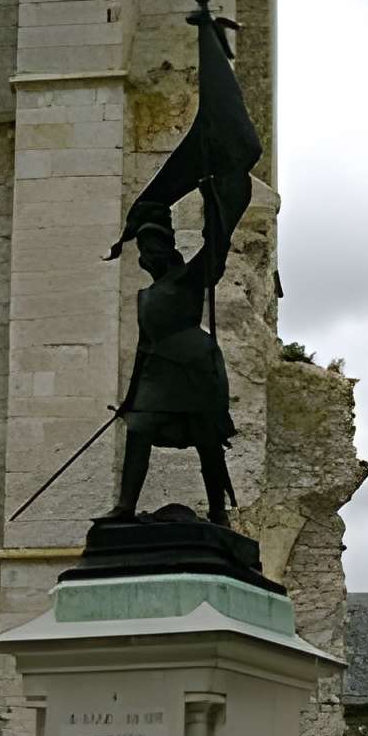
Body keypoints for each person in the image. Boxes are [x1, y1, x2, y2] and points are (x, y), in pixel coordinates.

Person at [107, 199, 236, 526]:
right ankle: (125, 506)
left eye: (151, 247)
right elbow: (143, 346)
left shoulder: (188, 278)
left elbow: (215, 253)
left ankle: (219, 512)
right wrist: (130, 398)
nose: (145, 255)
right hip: (157, 371)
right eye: (142, 249)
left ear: (165, 248)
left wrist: (215, 211)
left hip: (194, 365)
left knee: (207, 439)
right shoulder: (145, 296)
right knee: (139, 427)